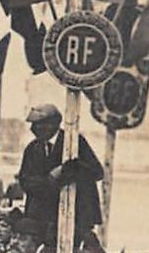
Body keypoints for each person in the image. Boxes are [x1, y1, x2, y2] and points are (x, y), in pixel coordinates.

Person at [15, 103, 101, 244]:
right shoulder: (32, 149)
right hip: (41, 218)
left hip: (74, 217)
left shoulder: (74, 142)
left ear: (53, 124)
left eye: (38, 124)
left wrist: (68, 169)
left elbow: (96, 172)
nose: (33, 129)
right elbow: (25, 181)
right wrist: (51, 179)